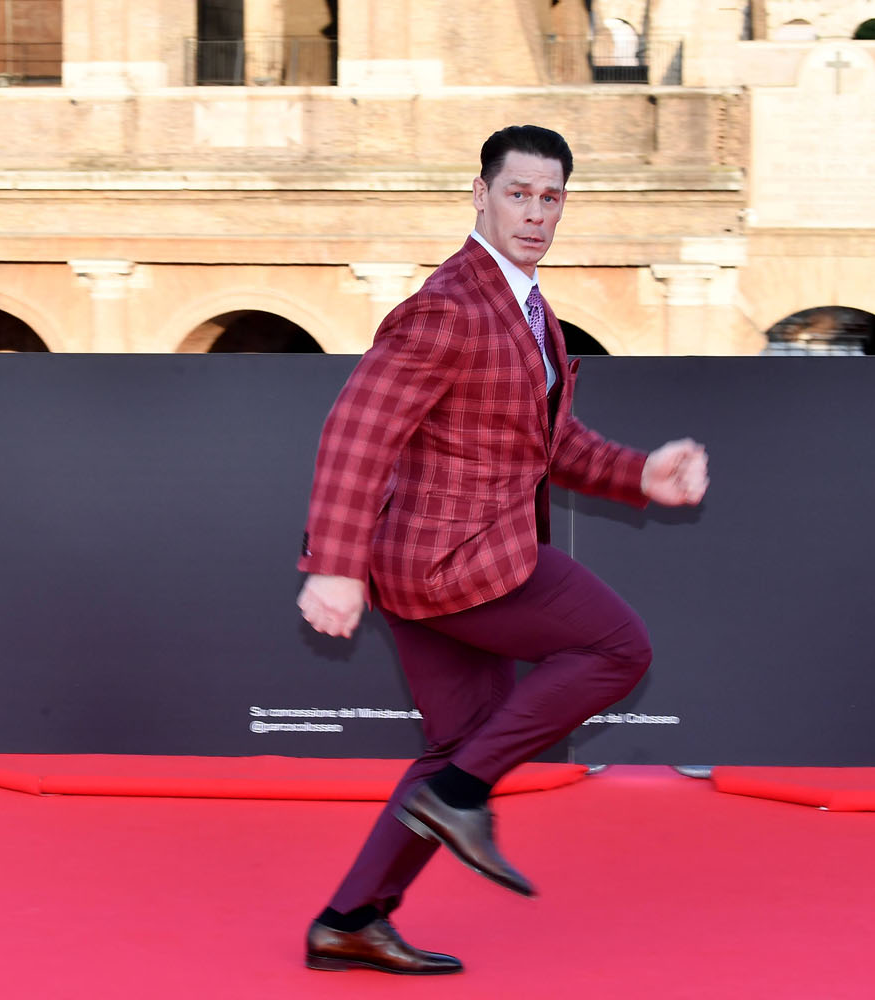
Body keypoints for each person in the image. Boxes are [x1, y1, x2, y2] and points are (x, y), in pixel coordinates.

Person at [295, 124, 709, 976]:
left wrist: (641, 475)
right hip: (456, 560)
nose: (534, 213)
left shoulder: (527, 307)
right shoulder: (451, 305)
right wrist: (333, 566)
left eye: (550, 198)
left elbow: (547, 445)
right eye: (517, 194)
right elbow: (356, 430)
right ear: (480, 195)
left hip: (433, 563)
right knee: (618, 648)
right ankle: (460, 796)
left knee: (458, 743)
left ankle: (349, 919)